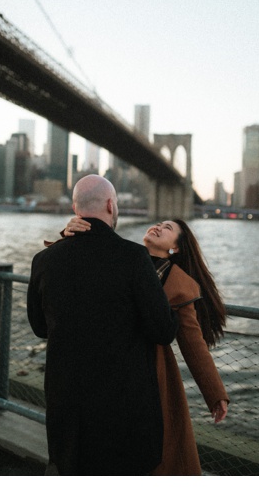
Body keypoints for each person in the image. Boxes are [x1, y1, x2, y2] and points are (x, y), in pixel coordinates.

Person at [27, 175, 177, 475]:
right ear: (111, 205)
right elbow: (164, 330)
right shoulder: (135, 258)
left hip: (68, 411)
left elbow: (40, 327)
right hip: (123, 414)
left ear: (74, 207)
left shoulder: (44, 259)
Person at [57, 217, 232, 475]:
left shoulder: (177, 283)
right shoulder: (122, 255)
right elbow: (79, 263)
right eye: (159, 223)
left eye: (168, 228)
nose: (159, 226)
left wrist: (215, 394)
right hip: (105, 365)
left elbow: (192, 342)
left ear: (176, 248)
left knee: (150, 452)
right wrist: (70, 234)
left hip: (148, 373)